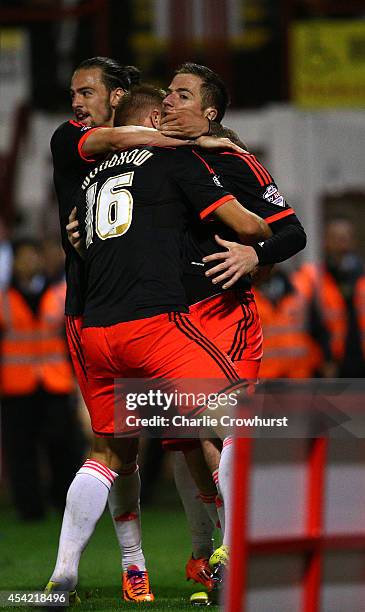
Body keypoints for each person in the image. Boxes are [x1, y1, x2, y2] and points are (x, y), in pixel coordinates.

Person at [59, 83, 272, 604]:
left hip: (93, 328)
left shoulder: (90, 176)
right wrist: (255, 236)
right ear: (155, 119)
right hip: (157, 323)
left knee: (112, 453)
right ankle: (236, 549)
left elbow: (87, 236)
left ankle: (71, 574)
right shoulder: (173, 163)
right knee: (236, 419)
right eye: (169, 103)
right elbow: (252, 224)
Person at [159, 62, 307, 599]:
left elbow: (292, 232)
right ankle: (219, 552)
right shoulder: (165, 157)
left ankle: (254, 544)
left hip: (228, 316)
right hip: (178, 318)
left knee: (223, 428)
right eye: (168, 92)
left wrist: (254, 252)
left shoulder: (234, 161)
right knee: (193, 441)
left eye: (182, 94)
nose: (169, 101)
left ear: (210, 111)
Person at [0, 239, 84, 520]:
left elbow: (72, 340)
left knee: (63, 447)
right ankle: (30, 508)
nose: (27, 263)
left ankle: (65, 502)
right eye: (21, 258)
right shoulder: (4, 300)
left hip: (56, 384)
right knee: (20, 452)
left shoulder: (60, 294)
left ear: (39, 260)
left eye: (31, 257)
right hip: (16, 387)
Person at [293, 217, 365, 378]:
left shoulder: (360, 275)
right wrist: (325, 360)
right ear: (325, 241)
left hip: (359, 362)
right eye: (336, 238)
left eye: (346, 237)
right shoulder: (312, 278)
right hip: (327, 364)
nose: (342, 243)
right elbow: (309, 324)